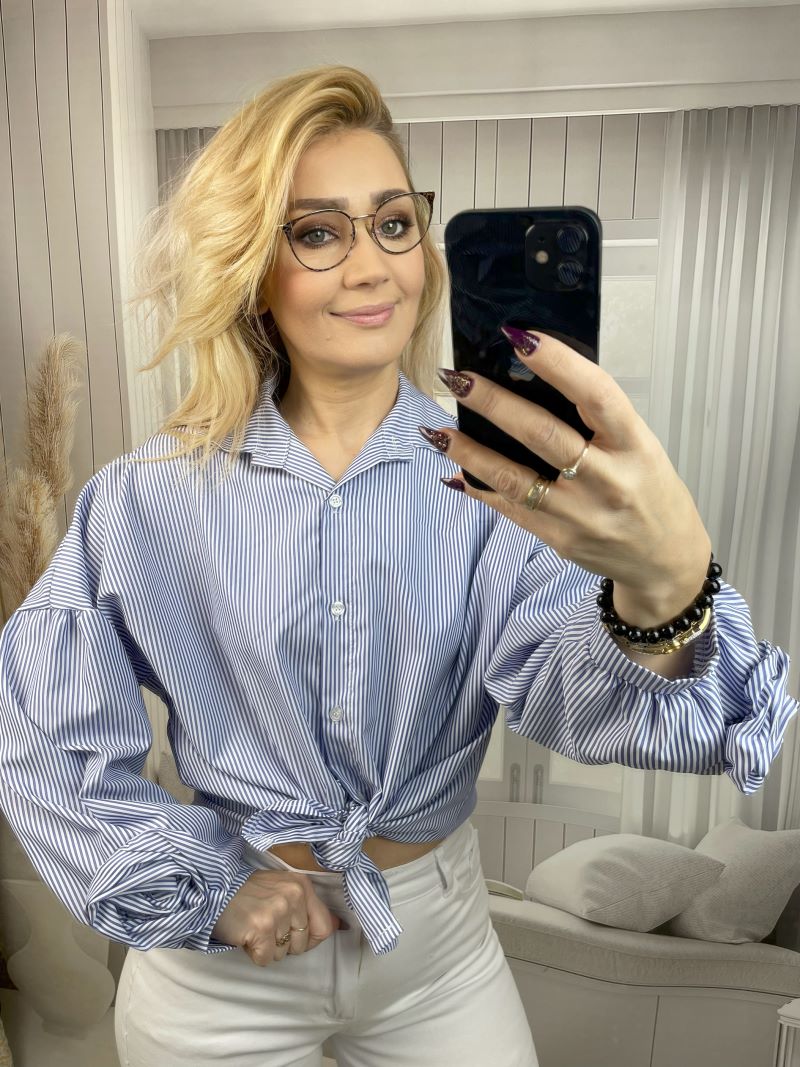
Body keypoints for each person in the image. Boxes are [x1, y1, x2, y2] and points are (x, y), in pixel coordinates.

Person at [0, 64, 797, 1067]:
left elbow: (577, 698)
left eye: (392, 223)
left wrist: (663, 588)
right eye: (317, 232)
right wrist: (213, 886)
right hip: (224, 967)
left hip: (439, 951)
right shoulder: (143, 496)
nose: (374, 266)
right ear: (253, 265)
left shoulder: (504, 490)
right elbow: (43, 736)